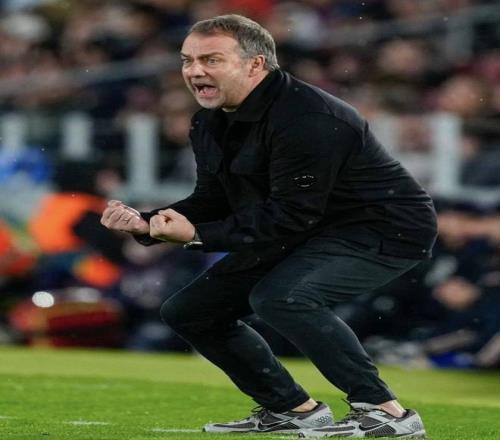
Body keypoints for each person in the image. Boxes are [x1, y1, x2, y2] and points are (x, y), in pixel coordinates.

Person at [101, 14, 437, 438]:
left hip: (381, 227)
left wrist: (197, 234)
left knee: (283, 297)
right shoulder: (209, 120)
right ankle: (292, 408)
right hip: (308, 227)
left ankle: (386, 412)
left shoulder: (309, 116)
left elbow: (292, 213)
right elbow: (213, 199)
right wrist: (147, 222)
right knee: (191, 312)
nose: (194, 71)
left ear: (255, 64)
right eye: (187, 60)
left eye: (211, 60)